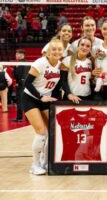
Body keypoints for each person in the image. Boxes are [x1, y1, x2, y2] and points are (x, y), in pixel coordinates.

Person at [22, 38, 64, 175]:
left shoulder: (60, 65)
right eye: (54, 49)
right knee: (40, 131)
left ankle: (45, 161)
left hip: (45, 100)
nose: (56, 51)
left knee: (50, 132)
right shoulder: (40, 63)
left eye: (59, 49)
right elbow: (27, 84)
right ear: (48, 51)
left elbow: (57, 87)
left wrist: (55, 100)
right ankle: (34, 165)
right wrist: (40, 97)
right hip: (30, 98)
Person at [60, 37, 93, 104]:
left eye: (88, 46)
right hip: (71, 97)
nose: (84, 47)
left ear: (90, 49)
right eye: (82, 44)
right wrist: (69, 94)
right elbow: (62, 80)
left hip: (88, 97)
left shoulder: (90, 62)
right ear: (78, 46)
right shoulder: (67, 60)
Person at [12, 49, 30, 122]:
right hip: (27, 84)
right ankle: (27, 118)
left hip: (21, 83)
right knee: (26, 101)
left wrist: (14, 70)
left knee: (20, 101)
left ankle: (19, 118)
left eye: (17, 54)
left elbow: (17, 74)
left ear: (22, 55)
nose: (16, 55)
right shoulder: (28, 63)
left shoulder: (19, 63)